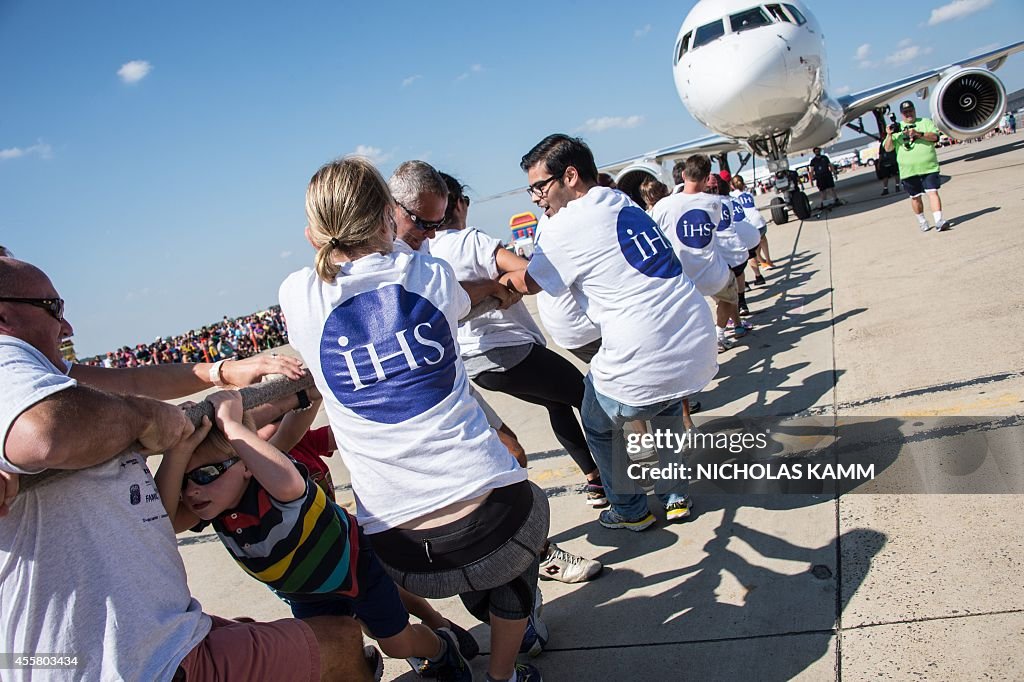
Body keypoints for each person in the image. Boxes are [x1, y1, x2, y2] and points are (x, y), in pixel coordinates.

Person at [0, 258, 372, 681]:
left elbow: (133, 383)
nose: (66, 328)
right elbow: (45, 432)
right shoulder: (8, 366)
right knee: (341, 642)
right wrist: (147, 421)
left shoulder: (55, 376)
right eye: (53, 308)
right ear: (3, 315)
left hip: (90, 652)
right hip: (132, 660)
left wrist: (220, 372)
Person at [279, 157, 547, 682]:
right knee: (522, 526)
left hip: (399, 550)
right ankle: (503, 676)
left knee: (483, 554)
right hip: (497, 524)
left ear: (316, 233)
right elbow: (427, 283)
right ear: (387, 214)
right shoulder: (429, 273)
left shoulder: (297, 294)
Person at [156, 390, 472, 681]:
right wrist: (177, 451)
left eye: (205, 474)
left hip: (355, 567)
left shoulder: (271, 480)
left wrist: (232, 426)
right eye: (185, 480)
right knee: (335, 646)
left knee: (397, 643)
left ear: (246, 463)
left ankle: (441, 649)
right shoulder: (212, 504)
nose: (191, 490)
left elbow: (290, 483)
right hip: (306, 594)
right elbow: (158, 519)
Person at [502, 134, 718, 532]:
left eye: (539, 186)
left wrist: (497, 281)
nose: (534, 198)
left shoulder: (563, 224)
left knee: (597, 421)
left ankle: (629, 508)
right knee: (666, 407)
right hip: (696, 339)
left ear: (570, 176)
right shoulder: (619, 200)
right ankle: (675, 495)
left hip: (644, 351)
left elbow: (530, 282)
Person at [429, 171, 608, 511]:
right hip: (508, 349)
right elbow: (530, 275)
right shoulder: (470, 240)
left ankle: (595, 478)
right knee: (590, 397)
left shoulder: (427, 254)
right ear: (459, 204)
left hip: (475, 366)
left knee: (557, 403)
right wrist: (504, 283)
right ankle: (619, 480)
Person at [653, 154, 743, 353]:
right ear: (706, 177)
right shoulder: (714, 203)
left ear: (683, 174)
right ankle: (719, 333)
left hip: (681, 277)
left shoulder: (663, 205)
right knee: (729, 295)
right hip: (711, 273)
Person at [884, 100, 948, 232]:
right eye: (905, 112)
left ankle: (939, 221)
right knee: (915, 197)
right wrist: (890, 135)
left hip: (928, 167)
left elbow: (935, 137)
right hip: (908, 171)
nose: (909, 114)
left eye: (910, 111)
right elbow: (888, 148)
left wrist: (919, 134)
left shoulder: (925, 122)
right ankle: (922, 221)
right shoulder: (897, 127)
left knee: (933, 192)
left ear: (914, 110)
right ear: (902, 114)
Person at [731, 174, 773, 270]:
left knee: (754, 245)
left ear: (732, 186)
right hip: (760, 221)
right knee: (763, 239)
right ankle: (768, 260)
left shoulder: (733, 195)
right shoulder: (748, 194)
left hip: (751, 223)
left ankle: (762, 263)